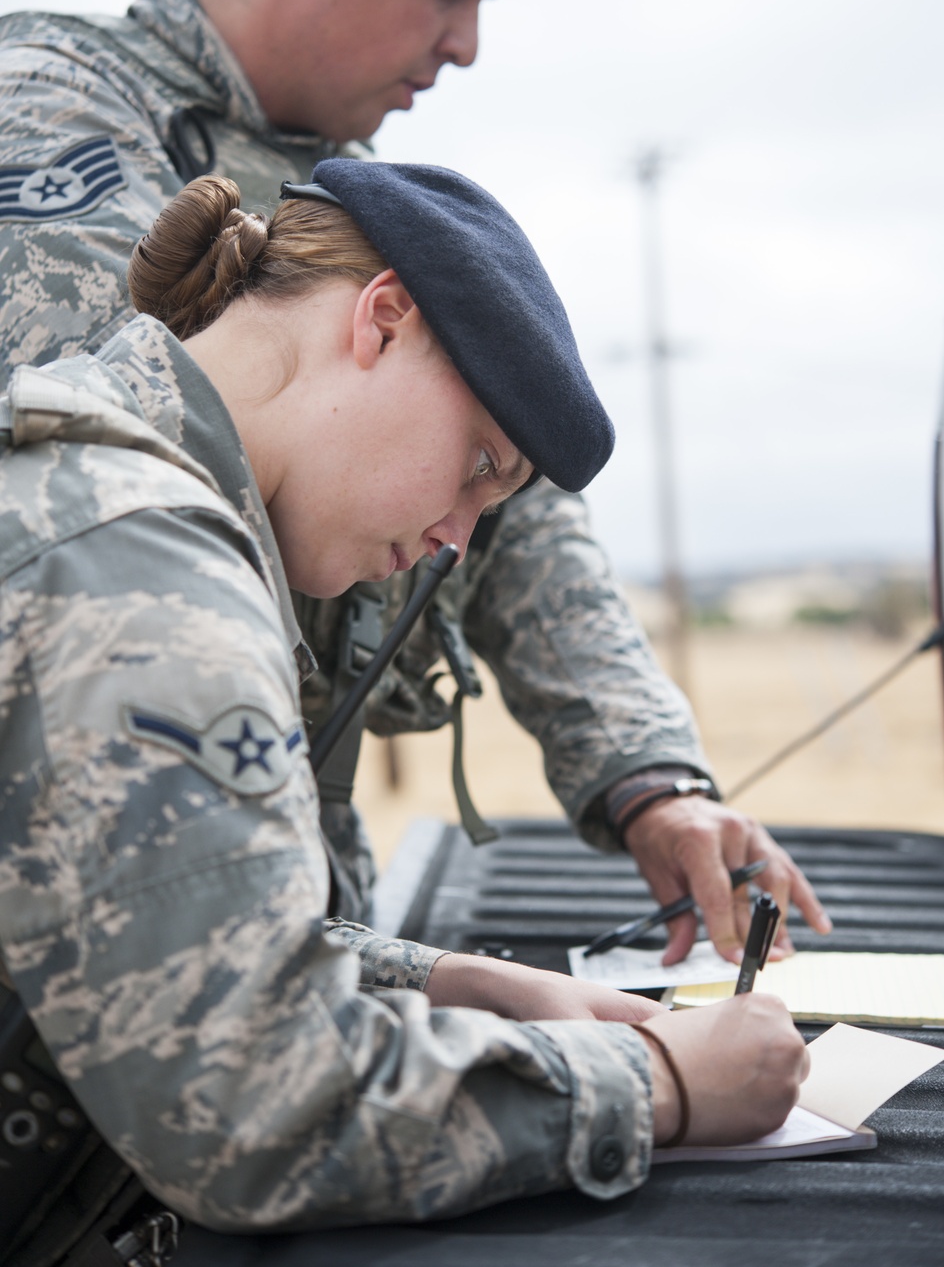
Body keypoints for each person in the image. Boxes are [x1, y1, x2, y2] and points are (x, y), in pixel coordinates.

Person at [0, 0, 830, 961]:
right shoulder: (52, 115)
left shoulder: (342, 184)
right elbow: (121, 471)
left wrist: (647, 773)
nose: (468, 45)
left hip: (285, 899)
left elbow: (505, 498)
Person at [0, 161, 809, 1241]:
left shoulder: (85, 479)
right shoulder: (145, 566)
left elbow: (136, 936)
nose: (455, 538)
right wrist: (654, 1076)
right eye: (480, 463)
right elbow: (253, 1111)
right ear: (380, 319)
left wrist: (448, 981)